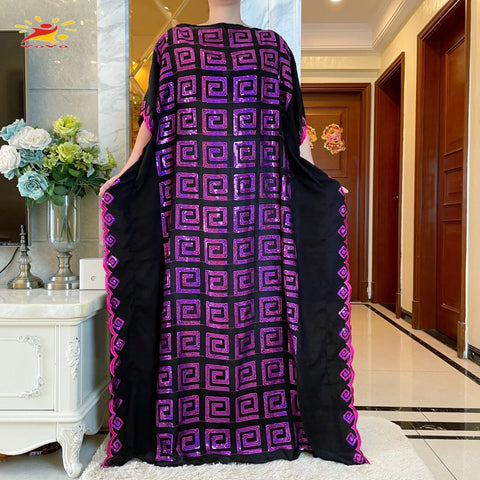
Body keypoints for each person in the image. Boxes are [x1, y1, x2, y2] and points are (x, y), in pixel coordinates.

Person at [100, 0, 366, 468]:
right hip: (192, 212)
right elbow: (154, 120)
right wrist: (126, 172)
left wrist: (317, 180)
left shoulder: (274, 48)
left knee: (265, 309)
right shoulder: (173, 44)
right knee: (190, 314)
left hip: (258, 213)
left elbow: (294, 128)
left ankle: (267, 422)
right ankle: (189, 424)